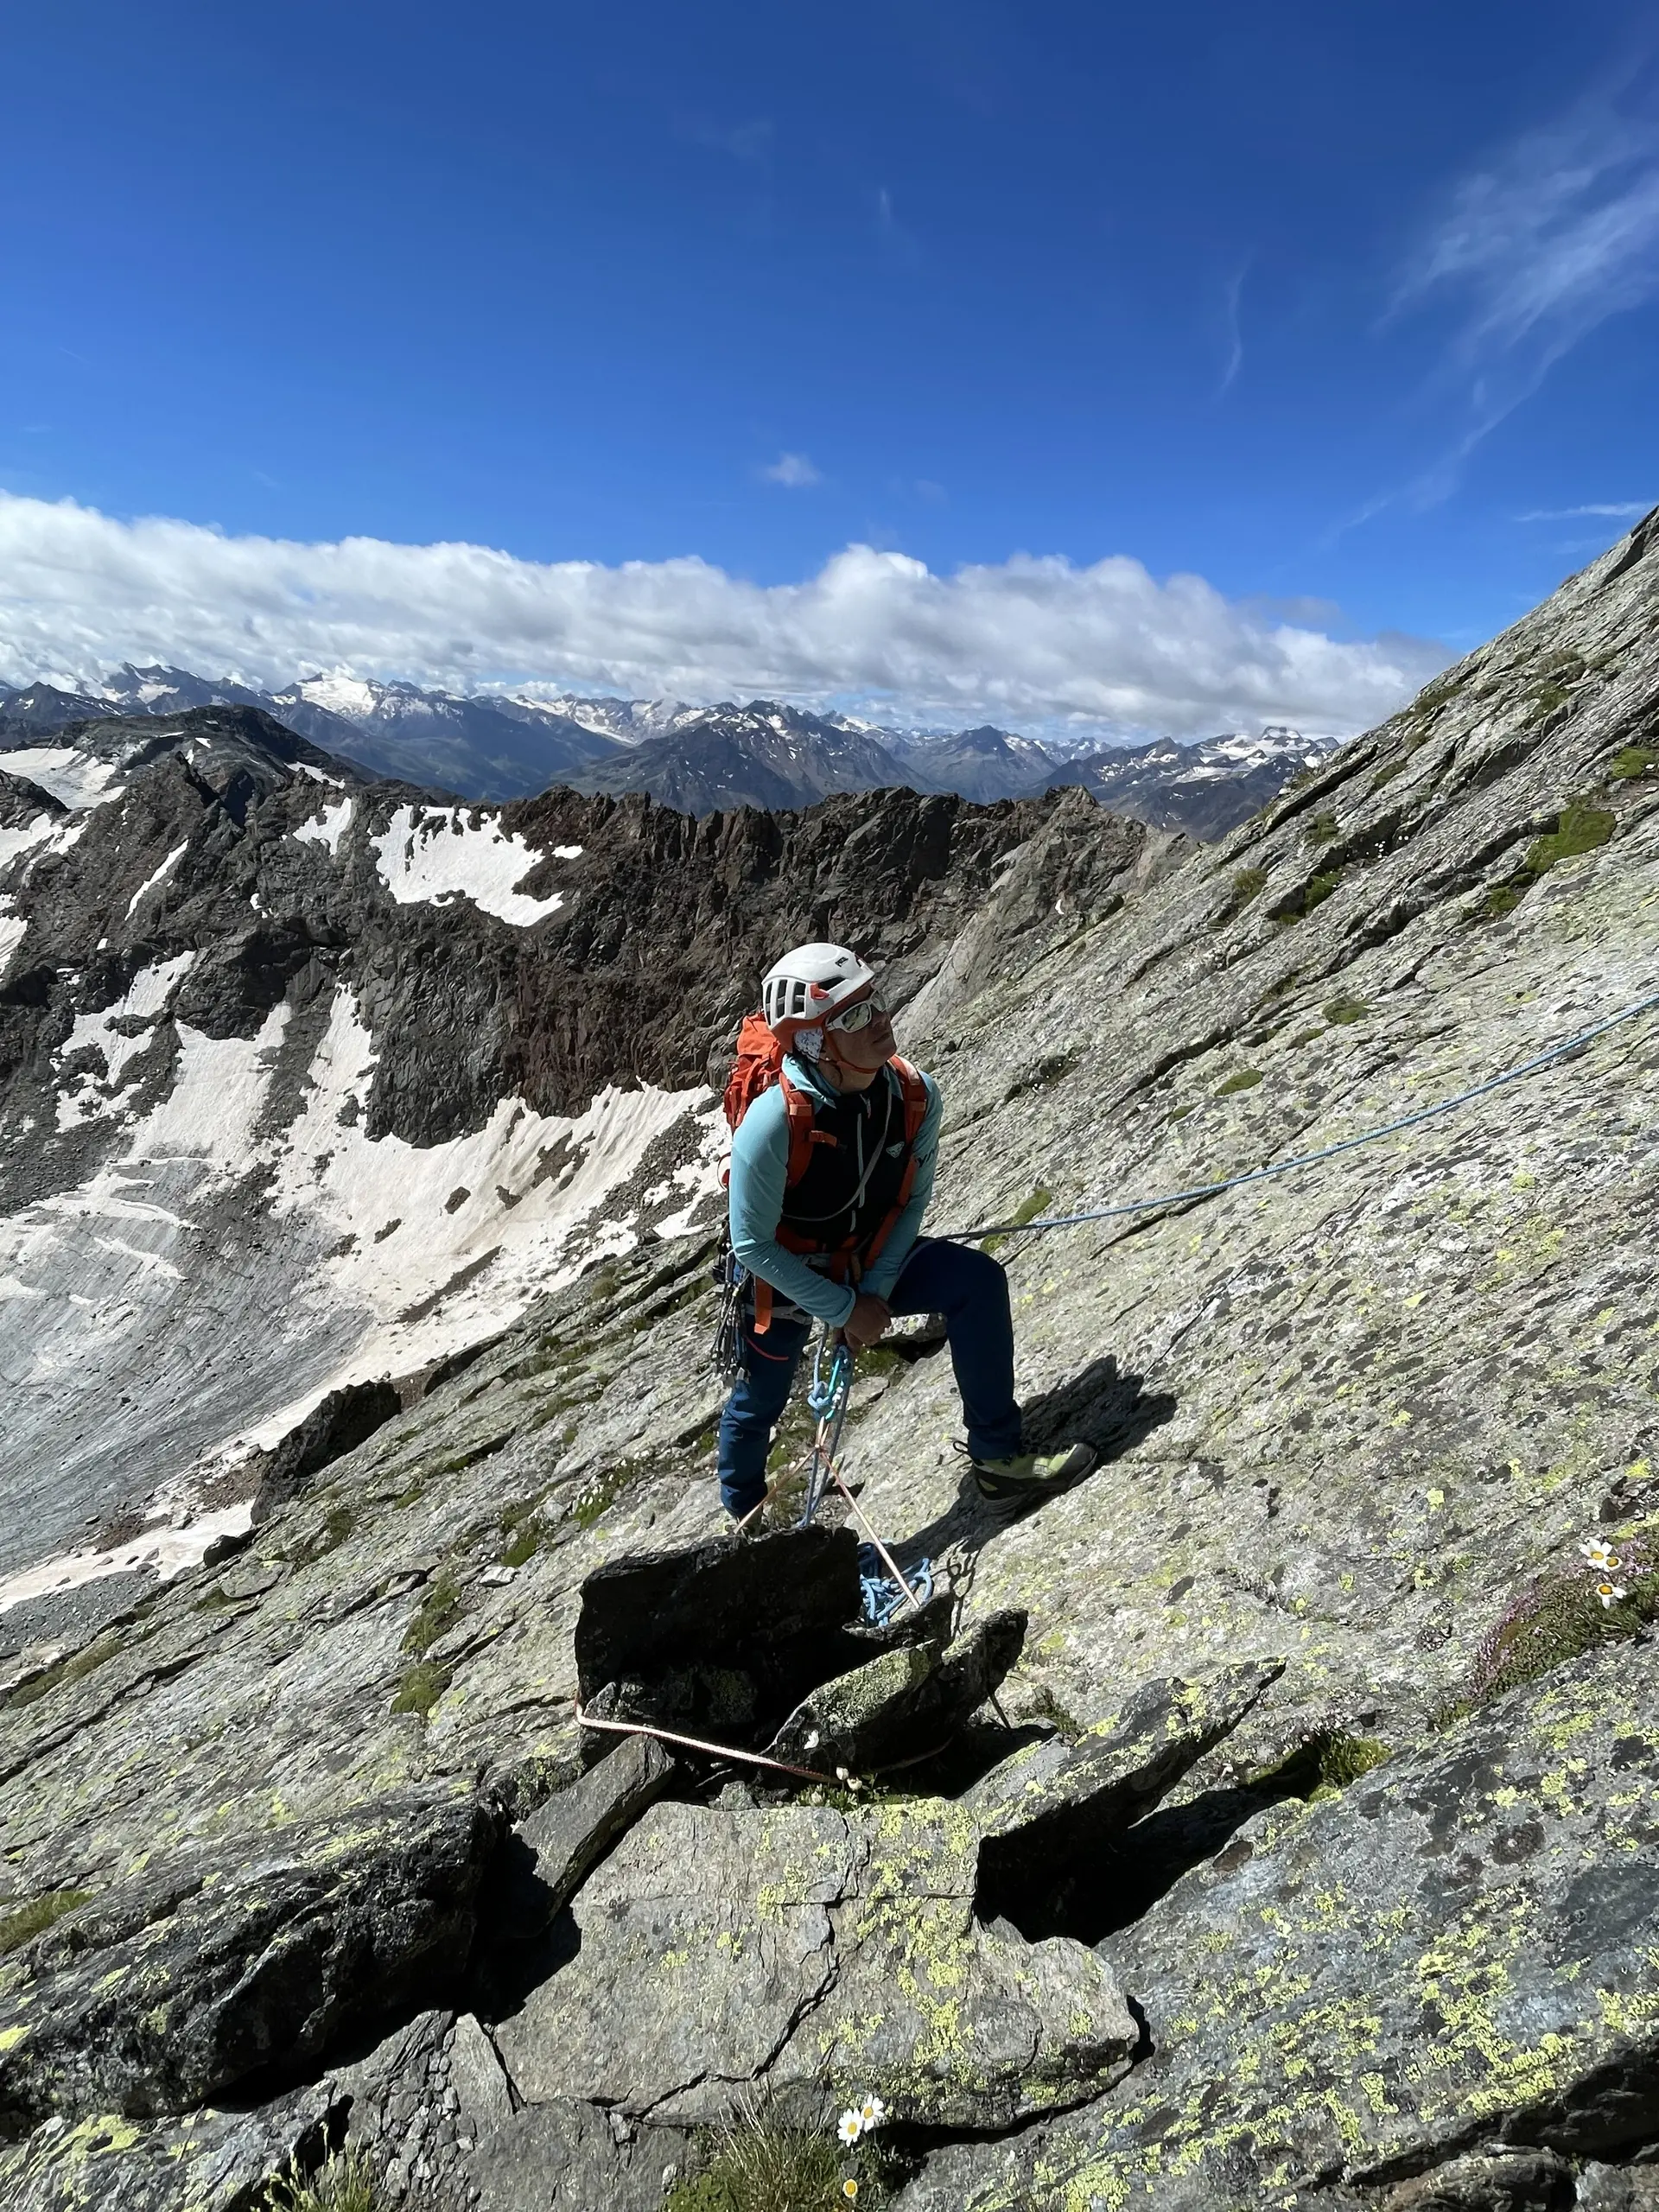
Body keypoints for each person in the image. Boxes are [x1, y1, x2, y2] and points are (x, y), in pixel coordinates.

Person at [717, 940, 1097, 1526]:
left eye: (877, 1001)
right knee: (760, 1400)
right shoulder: (773, 1123)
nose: (880, 1020)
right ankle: (744, 1516)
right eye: (853, 1015)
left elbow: (911, 1199)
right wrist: (846, 1308)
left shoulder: (913, 1094)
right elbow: (753, 1245)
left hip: (865, 1257)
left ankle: (997, 1461)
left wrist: (873, 1291)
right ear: (813, 1042)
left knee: (976, 1281)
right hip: (783, 1276)